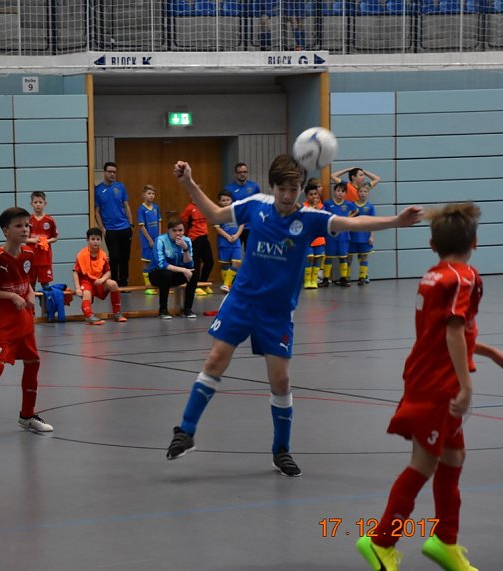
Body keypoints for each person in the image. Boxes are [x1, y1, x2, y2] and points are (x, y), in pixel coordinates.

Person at [165, 155, 423, 477]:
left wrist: (396, 221)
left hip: (276, 311)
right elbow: (216, 214)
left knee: (281, 380)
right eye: (282, 189)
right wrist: (189, 182)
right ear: (272, 187)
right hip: (243, 300)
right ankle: (186, 431)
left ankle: (281, 450)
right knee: (216, 359)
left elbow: (352, 223)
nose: (288, 196)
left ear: (301, 189)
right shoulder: (255, 206)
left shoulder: (310, 218)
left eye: (294, 189)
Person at [355, 203, 503, 571]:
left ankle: (445, 541)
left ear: (432, 245)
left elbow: (442, 333)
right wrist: (466, 386)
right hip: (437, 384)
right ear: (475, 243)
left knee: (453, 457)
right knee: (423, 463)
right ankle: (381, 542)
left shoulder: (434, 275)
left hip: (425, 374)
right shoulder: (464, 278)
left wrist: (490, 352)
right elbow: (453, 331)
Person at [0, 207, 54, 445]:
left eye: (27, 225)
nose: (25, 229)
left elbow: (27, 282)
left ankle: (27, 416)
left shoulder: (29, 253)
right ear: (6, 231)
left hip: (24, 322)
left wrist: (30, 293)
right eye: (19, 226)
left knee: (33, 363)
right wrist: (12, 296)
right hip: (3, 326)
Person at [73, 228, 126, 325]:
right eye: (93, 239)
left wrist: (102, 280)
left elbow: (108, 272)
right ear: (87, 240)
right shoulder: (81, 255)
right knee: (86, 294)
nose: (95, 241)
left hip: (99, 281)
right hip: (86, 281)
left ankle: (117, 313)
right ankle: (89, 316)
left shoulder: (103, 255)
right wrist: (77, 288)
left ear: (101, 241)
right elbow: (75, 272)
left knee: (113, 284)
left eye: (98, 239)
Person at [148, 217, 199, 319]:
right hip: (157, 274)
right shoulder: (160, 240)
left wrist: (185, 249)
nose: (178, 233)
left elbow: (189, 265)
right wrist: (183, 270)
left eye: (180, 230)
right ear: (169, 231)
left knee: (194, 274)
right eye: (174, 230)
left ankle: (187, 309)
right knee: (166, 273)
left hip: (174, 275)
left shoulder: (187, 241)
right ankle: (163, 310)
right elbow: (162, 264)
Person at [94, 161, 133, 287]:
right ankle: (114, 283)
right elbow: (97, 212)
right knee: (114, 256)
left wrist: (131, 224)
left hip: (124, 228)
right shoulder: (98, 190)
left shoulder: (120, 187)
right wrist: (102, 229)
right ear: (104, 172)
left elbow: (126, 206)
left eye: (114, 172)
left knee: (124, 257)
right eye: (110, 172)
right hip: (110, 230)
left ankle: (124, 284)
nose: (112, 174)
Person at [322, 181, 356, 287]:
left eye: (342, 191)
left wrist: (348, 218)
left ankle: (343, 278)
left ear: (345, 193)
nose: (340, 193)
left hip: (344, 235)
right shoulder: (328, 203)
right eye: (338, 191)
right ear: (334, 191)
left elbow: (356, 211)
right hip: (331, 235)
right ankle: (326, 279)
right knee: (329, 256)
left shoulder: (348, 204)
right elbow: (323, 214)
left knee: (343, 256)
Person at [181, 194, 214, 295]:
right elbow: (183, 223)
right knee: (196, 264)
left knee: (209, 262)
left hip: (204, 237)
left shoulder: (203, 206)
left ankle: (203, 283)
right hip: (194, 239)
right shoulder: (189, 209)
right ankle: (195, 286)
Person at [224, 162, 261, 248]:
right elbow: (225, 207)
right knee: (235, 253)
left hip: (251, 226)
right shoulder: (229, 188)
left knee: (251, 252)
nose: (242, 174)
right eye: (240, 172)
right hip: (235, 227)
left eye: (244, 172)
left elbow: (258, 205)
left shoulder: (254, 187)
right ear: (235, 174)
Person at [213, 190, 244, 293]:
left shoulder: (236, 212)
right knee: (225, 265)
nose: (226, 202)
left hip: (236, 241)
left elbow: (242, 224)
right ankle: (227, 285)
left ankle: (226, 284)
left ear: (231, 200)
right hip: (224, 242)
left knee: (236, 263)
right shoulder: (218, 213)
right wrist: (227, 237)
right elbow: (217, 228)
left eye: (228, 200)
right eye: (223, 200)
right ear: (219, 202)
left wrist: (237, 235)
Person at [27, 191, 58, 289]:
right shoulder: (28, 220)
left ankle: (45, 300)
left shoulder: (50, 220)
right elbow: (23, 239)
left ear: (45, 203)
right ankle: (31, 300)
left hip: (45, 259)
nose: (38, 204)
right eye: (35, 202)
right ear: (31, 204)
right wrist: (32, 240)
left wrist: (46, 241)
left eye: (40, 202)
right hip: (31, 258)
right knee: (30, 286)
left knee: (45, 286)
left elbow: (55, 238)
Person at [137, 184, 162, 295]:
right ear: (144, 195)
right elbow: (142, 226)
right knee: (147, 261)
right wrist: (150, 240)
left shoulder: (156, 207)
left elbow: (159, 222)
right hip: (147, 240)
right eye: (149, 193)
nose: (151, 196)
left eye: (153, 194)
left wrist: (159, 237)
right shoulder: (141, 209)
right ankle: (148, 286)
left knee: (158, 261)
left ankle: (158, 285)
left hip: (157, 239)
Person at [351, 184, 377, 286]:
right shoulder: (351, 205)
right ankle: (346, 277)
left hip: (365, 236)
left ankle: (362, 277)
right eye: (361, 191)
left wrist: (372, 236)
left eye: (365, 192)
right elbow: (346, 219)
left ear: (368, 193)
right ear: (357, 193)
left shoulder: (370, 206)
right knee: (348, 257)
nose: (363, 194)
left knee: (364, 256)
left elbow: (373, 222)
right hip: (352, 235)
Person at [302, 180, 326, 289]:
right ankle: (307, 280)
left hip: (319, 238)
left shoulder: (322, 207)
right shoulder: (303, 207)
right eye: (311, 194)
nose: (314, 196)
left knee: (318, 259)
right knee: (309, 258)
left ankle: (314, 280)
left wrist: (317, 209)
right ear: (306, 196)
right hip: (308, 239)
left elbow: (323, 221)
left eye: (315, 194)